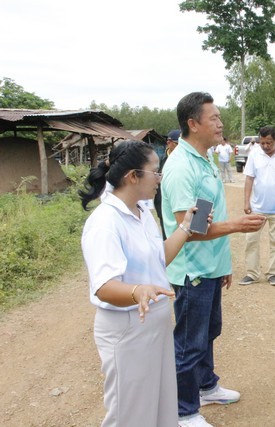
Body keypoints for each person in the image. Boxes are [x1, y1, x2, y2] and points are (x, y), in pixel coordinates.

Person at [161, 91, 266, 427]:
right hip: (191, 270)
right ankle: (183, 410)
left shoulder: (202, 159)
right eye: (214, 118)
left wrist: (223, 265)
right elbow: (187, 228)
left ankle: (206, 386)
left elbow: (205, 216)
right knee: (189, 342)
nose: (221, 124)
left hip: (209, 266)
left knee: (207, 332)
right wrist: (237, 225)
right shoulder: (180, 167)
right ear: (193, 124)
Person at [79, 140, 201, 427]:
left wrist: (186, 228)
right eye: (155, 172)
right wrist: (137, 291)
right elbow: (104, 286)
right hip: (128, 328)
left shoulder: (142, 212)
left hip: (154, 323)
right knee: (129, 414)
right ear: (133, 176)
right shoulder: (105, 222)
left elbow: (158, 261)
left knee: (159, 406)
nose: (160, 179)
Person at [239, 126, 275, 286]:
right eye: (262, 143)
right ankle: (252, 273)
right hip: (257, 207)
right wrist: (246, 202)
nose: (265, 146)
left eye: (268, 143)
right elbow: (249, 178)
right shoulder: (254, 154)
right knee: (251, 240)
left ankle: (272, 273)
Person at [154, 129, 180, 239]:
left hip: (182, 203)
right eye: (178, 144)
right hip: (163, 204)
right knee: (168, 235)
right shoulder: (158, 162)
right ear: (169, 143)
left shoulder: (187, 160)